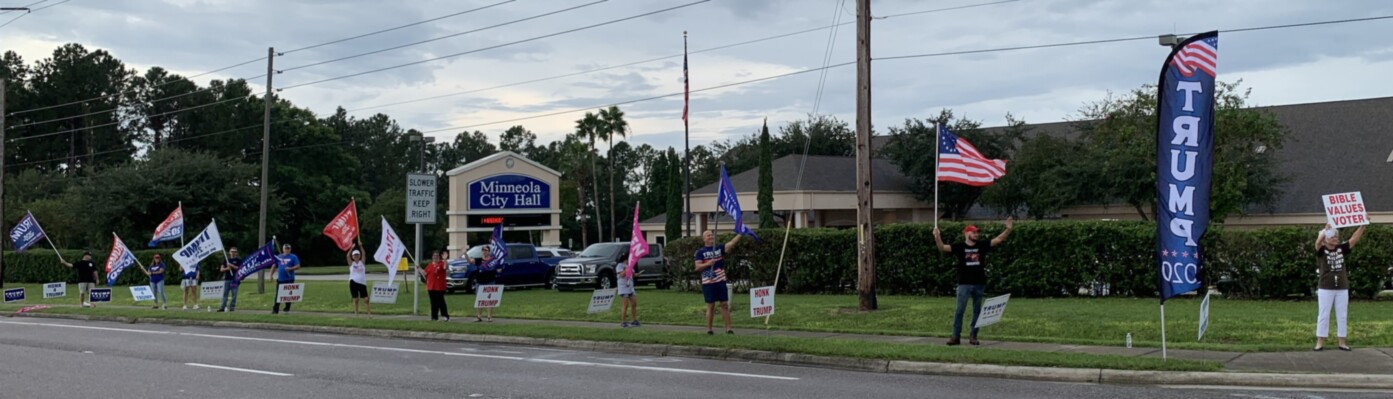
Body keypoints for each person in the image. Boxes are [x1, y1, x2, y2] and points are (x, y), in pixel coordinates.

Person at [933, 217, 1014, 346]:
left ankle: (973, 336)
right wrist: (937, 236)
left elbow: (998, 240)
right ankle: (955, 336)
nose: (976, 234)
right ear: (966, 233)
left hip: (978, 283)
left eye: (977, 232)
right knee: (960, 310)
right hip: (964, 283)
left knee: (977, 311)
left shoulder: (981, 246)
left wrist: (1008, 229)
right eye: (973, 232)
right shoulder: (959, 247)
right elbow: (942, 247)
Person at [1315, 223, 1366, 351]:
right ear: (1326, 238)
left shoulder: (1341, 249)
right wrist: (1325, 231)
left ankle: (1342, 342)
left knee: (1342, 315)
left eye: (1336, 237)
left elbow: (1354, 239)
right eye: (1333, 237)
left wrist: (1363, 225)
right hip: (1325, 287)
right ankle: (1320, 342)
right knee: (1323, 315)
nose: (1335, 239)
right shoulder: (1322, 250)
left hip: (1342, 287)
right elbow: (1317, 242)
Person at [694, 230, 741, 335]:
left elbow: (731, 243)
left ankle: (728, 329)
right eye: (708, 235)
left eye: (712, 235)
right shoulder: (700, 252)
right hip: (708, 282)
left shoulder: (719, 248)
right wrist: (708, 263)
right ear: (704, 238)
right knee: (711, 305)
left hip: (720, 281)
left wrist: (740, 234)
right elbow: (697, 267)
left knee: (724, 304)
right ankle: (709, 329)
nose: (711, 237)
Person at [474, 246, 503, 322]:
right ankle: (479, 316)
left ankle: (489, 316)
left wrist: (499, 270)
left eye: (486, 250)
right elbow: (470, 261)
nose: (484, 251)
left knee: (489, 300)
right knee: (480, 300)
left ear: (489, 251)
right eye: (483, 250)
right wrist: (465, 254)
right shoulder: (479, 260)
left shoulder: (493, 260)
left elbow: (498, 269)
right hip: (480, 282)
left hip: (490, 281)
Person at [272, 243, 301, 314]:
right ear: (283, 249)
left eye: (288, 249)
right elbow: (274, 266)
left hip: (289, 279)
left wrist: (290, 268)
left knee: (288, 295)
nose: (287, 250)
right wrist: (271, 275)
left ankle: (287, 309)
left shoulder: (293, 257)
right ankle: (275, 310)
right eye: (286, 248)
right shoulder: (279, 257)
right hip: (280, 279)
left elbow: (298, 266)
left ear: (290, 249)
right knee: (278, 295)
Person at [422, 250, 449, 321]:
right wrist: (418, 268)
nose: (435, 257)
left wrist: (445, 259)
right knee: (433, 303)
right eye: (434, 256)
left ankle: (445, 315)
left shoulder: (441, 263)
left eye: (437, 256)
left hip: (439, 287)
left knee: (441, 302)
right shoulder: (430, 265)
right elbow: (425, 273)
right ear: (432, 257)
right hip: (431, 287)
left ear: (439, 257)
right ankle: (434, 317)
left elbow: (445, 267)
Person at [348, 246, 371, 316]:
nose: (356, 256)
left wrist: (361, 246)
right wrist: (351, 248)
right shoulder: (351, 264)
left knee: (366, 299)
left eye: (357, 255)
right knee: (356, 299)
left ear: (359, 256)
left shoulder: (362, 262)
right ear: (353, 256)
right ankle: (356, 314)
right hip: (353, 282)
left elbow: (364, 253)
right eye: (355, 255)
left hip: (362, 283)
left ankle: (369, 314)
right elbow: (347, 255)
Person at [618, 254, 640, 328]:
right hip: (623, 287)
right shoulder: (620, 265)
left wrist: (636, 274)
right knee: (625, 305)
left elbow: (632, 274)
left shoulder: (630, 265)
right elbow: (621, 275)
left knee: (634, 303)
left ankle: (633, 320)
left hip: (630, 287)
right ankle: (623, 321)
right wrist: (626, 270)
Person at [219, 248, 241, 312]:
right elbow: (221, 269)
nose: (233, 253)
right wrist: (227, 268)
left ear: (236, 253)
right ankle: (222, 307)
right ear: (229, 252)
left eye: (235, 252)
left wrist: (231, 265)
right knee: (225, 294)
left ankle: (232, 307)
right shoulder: (226, 260)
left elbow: (239, 268)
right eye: (232, 252)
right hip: (227, 279)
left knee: (234, 294)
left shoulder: (238, 260)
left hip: (235, 279)